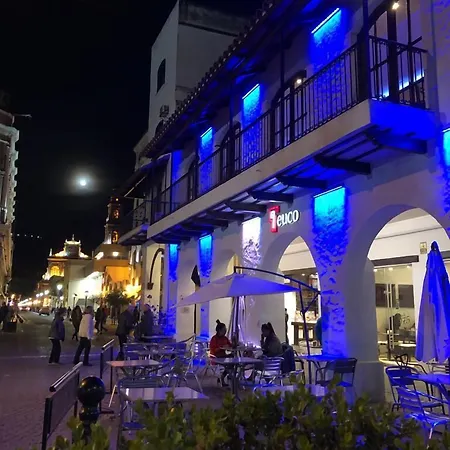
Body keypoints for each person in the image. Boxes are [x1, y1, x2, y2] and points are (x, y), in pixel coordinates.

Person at [210, 320, 232, 387]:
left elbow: (230, 345)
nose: (225, 331)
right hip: (216, 357)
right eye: (224, 330)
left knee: (233, 358)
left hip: (223, 356)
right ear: (219, 331)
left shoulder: (225, 338)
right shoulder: (214, 339)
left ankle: (227, 375)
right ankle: (223, 377)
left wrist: (233, 344)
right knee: (229, 363)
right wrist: (221, 347)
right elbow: (213, 350)